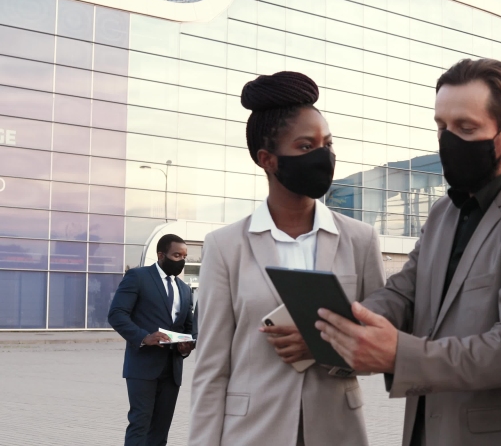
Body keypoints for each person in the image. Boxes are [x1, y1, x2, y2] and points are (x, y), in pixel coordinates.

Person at [316, 59, 501, 446]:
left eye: (465, 127)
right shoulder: (443, 211)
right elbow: (406, 290)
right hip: (424, 430)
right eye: (441, 126)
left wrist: (399, 355)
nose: (448, 140)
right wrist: (345, 323)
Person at [188, 71, 385, 446]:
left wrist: (323, 346)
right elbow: (211, 368)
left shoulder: (360, 240)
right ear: (268, 160)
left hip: (337, 432)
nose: (324, 155)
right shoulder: (225, 246)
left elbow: (383, 346)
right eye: (306, 146)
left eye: (327, 143)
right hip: (251, 433)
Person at [108, 233, 196, 446]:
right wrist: (144, 337)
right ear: (161, 255)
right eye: (176, 255)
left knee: (160, 429)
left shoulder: (184, 289)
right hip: (143, 365)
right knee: (140, 423)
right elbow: (117, 314)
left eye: (184, 256)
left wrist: (187, 346)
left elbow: (188, 327)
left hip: (172, 368)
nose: (181, 261)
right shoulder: (138, 277)